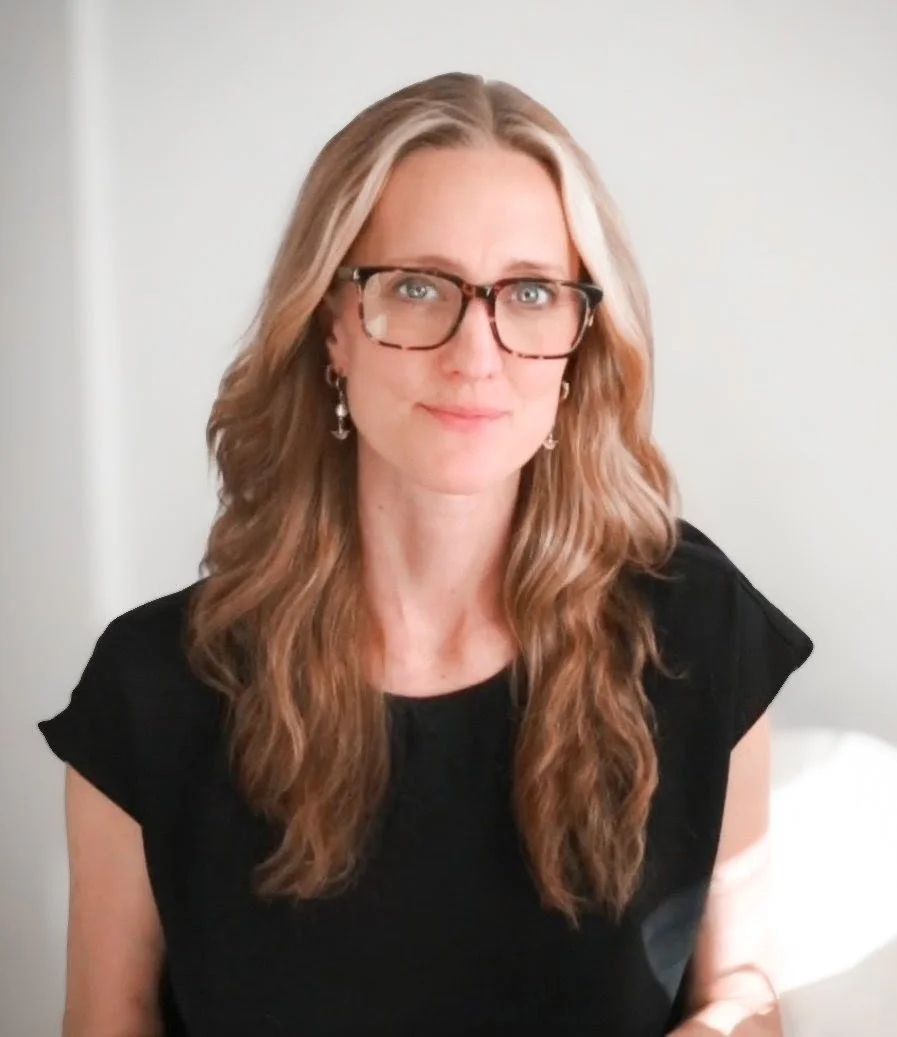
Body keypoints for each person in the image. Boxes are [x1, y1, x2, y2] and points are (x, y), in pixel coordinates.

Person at [38, 72, 813, 1037]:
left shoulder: (697, 626)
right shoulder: (149, 689)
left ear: (577, 343)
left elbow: (742, 992)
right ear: (330, 326)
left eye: (529, 292)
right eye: (416, 286)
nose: (475, 351)